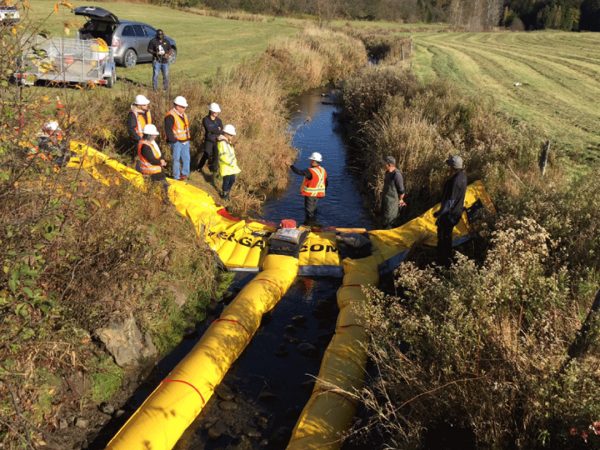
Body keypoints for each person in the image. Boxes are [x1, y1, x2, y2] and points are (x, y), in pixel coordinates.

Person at [433, 155, 467, 266]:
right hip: (456, 213)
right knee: (447, 237)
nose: (448, 168)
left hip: (449, 215)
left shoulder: (455, 181)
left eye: (449, 166)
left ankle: (443, 262)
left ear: (452, 167)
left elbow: (450, 202)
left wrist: (439, 214)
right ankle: (446, 260)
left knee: (443, 238)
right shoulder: (463, 176)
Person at [290, 152, 328, 226]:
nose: (310, 162)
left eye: (311, 160)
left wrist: (291, 166)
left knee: (309, 212)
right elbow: (326, 182)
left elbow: (299, 172)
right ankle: (314, 223)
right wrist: (324, 191)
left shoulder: (310, 171)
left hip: (310, 195)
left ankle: (310, 225)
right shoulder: (323, 170)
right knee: (313, 209)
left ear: (314, 161)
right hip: (318, 194)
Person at [136, 124, 168, 199]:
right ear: (149, 135)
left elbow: (157, 153)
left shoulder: (149, 143)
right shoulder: (145, 146)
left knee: (155, 188)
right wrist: (161, 162)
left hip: (153, 171)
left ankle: (158, 200)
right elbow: (151, 159)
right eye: (154, 134)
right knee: (164, 186)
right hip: (151, 172)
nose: (155, 136)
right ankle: (165, 201)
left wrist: (161, 159)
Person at [164, 96, 191, 181]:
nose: (185, 108)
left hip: (185, 141)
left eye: (185, 107)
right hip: (177, 142)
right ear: (177, 106)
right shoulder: (170, 116)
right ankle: (176, 177)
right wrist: (174, 141)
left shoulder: (184, 115)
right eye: (183, 107)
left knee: (186, 158)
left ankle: (185, 174)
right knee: (176, 160)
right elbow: (168, 130)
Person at [198, 102, 223, 176]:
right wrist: (217, 129)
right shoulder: (205, 119)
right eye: (215, 111)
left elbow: (221, 130)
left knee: (216, 155)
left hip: (217, 140)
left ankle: (213, 171)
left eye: (217, 111)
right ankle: (199, 167)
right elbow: (209, 129)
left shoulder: (219, 120)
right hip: (209, 140)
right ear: (211, 111)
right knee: (207, 154)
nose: (216, 113)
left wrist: (216, 130)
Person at [216, 124, 241, 200]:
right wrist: (230, 163)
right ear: (226, 134)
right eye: (231, 135)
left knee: (232, 180)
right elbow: (223, 155)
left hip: (231, 166)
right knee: (226, 181)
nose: (232, 137)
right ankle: (224, 194)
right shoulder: (222, 143)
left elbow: (231, 153)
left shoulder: (227, 142)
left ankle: (227, 192)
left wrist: (233, 163)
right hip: (226, 165)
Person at [381, 155, 406, 229]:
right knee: (384, 220)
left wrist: (401, 200)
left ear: (389, 165)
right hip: (386, 202)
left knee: (389, 223)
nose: (383, 165)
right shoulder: (387, 172)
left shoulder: (397, 175)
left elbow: (402, 191)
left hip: (392, 205)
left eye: (384, 163)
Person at [126, 94, 152, 161]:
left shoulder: (146, 112)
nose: (147, 106)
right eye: (144, 104)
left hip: (147, 139)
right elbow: (131, 129)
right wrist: (138, 139)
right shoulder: (133, 114)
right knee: (138, 159)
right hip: (138, 140)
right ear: (139, 106)